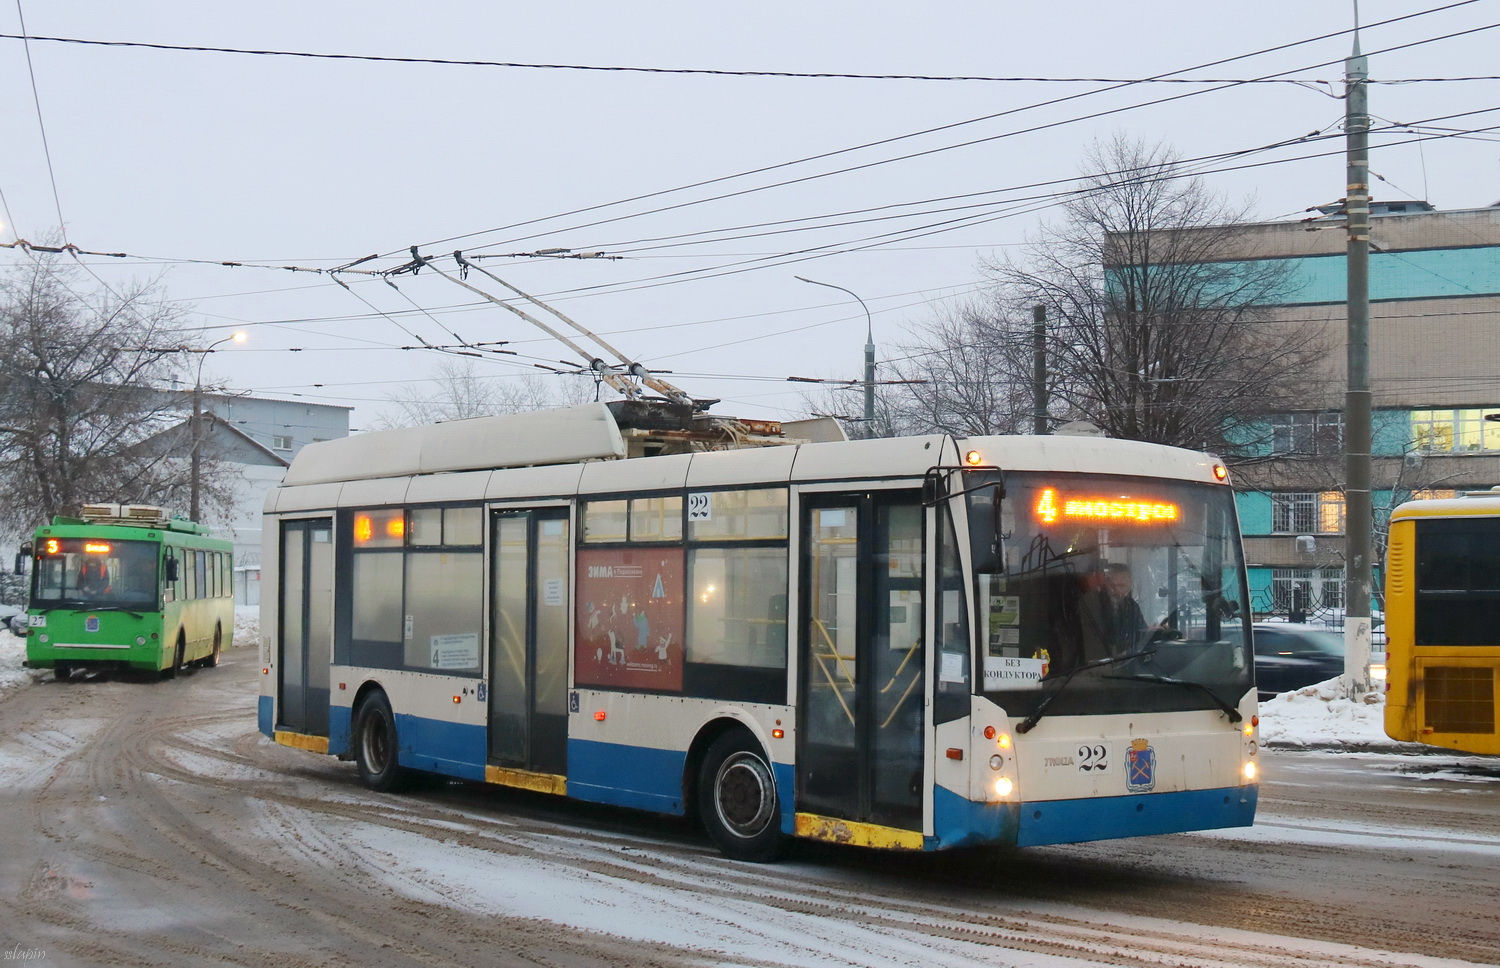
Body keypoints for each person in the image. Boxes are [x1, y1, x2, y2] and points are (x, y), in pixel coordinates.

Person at [1085, 563, 1149, 656]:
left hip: (1125, 660)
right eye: (1112, 585)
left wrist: (1153, 631)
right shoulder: (1093, 604)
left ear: (1129, 586)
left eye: (1122, 586)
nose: (1117, 590)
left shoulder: (1132, 606)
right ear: (1105, 583)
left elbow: (1140, 632)